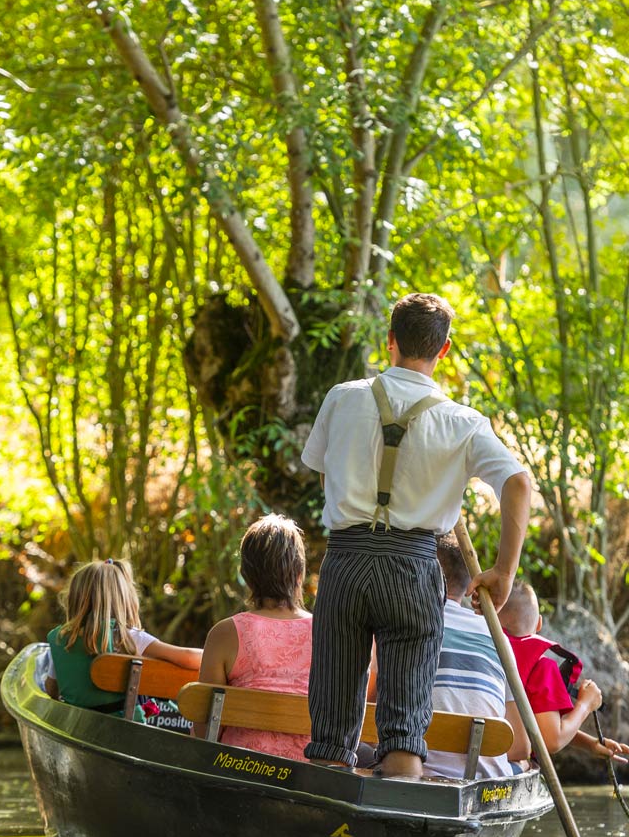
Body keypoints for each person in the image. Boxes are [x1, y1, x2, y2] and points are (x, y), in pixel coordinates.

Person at [301, 291, 532, 777]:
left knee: (332, 728)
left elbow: (326, 479)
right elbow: (518, 483)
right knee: (404, 728)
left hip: (345, 560)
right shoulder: (464, 422)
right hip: (413, 566)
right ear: (443, 350)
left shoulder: (342, 398)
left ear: (390, 341)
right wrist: (504, 574)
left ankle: (321, 831)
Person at [196, 514, 312, 761]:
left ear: (246, 575)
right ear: (299, 573)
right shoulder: (327, 633)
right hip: (309, 770)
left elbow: (204, 729)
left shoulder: (224, 634)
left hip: (236, 767)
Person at [424, 534, 529, 777]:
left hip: (417, 772)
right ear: (469, 583)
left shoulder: (403, 624)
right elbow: (521, 746)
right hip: (484, 779)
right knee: (523, 765)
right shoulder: (497, 636)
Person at [46, 558, 201, 718]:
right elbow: (189, 657)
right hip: (126, 730)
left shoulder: (60, 639)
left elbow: (51, 689)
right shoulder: (126, 636)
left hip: (78, 726)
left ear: (74, 598)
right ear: (124, 599)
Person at [499, 581, 629, 763]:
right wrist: (585, 704)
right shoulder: (542, 668)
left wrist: (590, 744)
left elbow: (542, 725)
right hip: (510, 762)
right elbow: (553, 740)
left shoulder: (487, 653)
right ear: (539, 624)